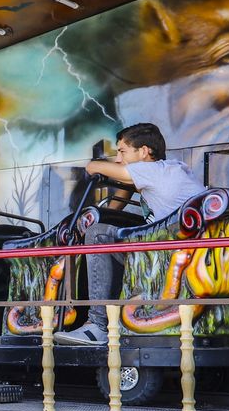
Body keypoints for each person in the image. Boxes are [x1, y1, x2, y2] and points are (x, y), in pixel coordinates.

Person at [55, 123, 205, 346]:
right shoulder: (172, 169)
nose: (117, 159)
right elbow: (124, 190)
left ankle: (97, 325)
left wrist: (94, 165)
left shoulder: (151, 170)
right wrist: (109, 210)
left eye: (122, 151)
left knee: (97, 235)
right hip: (185, 248)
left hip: (168, 252)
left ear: (144, 152)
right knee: (106, 233)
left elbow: (94, 168)